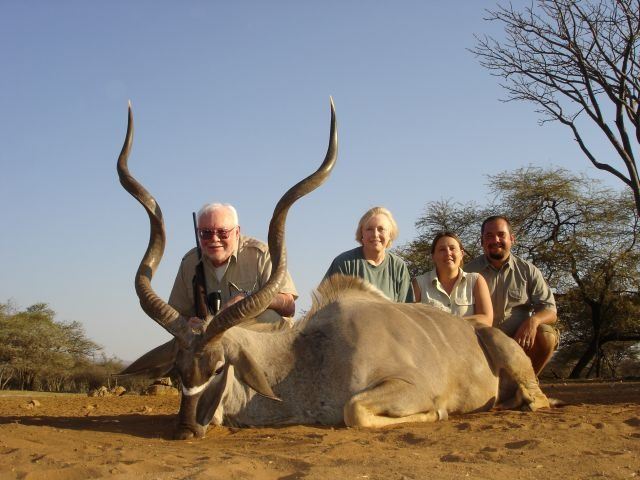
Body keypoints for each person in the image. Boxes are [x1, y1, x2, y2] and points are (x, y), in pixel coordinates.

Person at [169, 203, 297, 328]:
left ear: (237, 232)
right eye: (206, 233)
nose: (214, 239)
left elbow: (289, 305)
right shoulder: (189, 263)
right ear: (198, 233)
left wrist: (250, 300)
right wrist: (187, 325)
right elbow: (175, 316)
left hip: (260, 338)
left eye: (222, 232)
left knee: (268, 317)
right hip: (211, 340)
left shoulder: (261, 255)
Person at [465, 215, 559, 374]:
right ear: (482, 241)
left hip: (519, 343)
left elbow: (550, 311)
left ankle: (528, 381)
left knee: (546, 334)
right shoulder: (468, 272)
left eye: (501, 235)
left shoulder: (528, 271)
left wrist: (533, 321)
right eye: (489, 236)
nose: (495, 240)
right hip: (480, 342)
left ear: (512, 239)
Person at [325, 206, 414, 302]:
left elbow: (406, 307)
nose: (375, 234)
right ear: (361, 233)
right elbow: (325, 303)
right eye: (369, 229)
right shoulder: (344, 263)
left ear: (390, 234)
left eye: (381, 229)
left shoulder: (398, 267)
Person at [412, 232, 493, 327]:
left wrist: (449, 322)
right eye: (442, 249)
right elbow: (411, 321)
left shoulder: (476, 280)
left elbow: (486, 319)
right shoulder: (419, 283)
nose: (448, 253)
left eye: (452, 248)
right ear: (433, 256)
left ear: (462, 254)